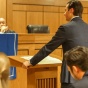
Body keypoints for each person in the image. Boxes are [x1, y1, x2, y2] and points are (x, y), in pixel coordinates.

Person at [22, 0, 88, 88]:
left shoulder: (65, 28)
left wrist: (31, 61)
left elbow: (48, 48)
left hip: (71, 78)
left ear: (71, 10)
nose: (64, 13)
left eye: (65, 10)